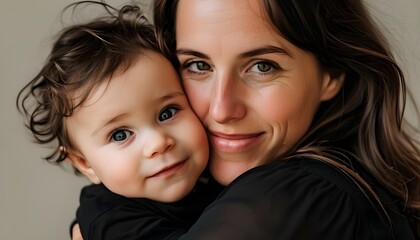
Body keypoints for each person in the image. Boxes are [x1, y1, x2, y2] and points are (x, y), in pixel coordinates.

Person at [72, 0, 420, 239]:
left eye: (262, 67)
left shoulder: (300, 196)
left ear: (331, 73)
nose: (222, 109)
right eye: (198, 65)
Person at [16, 2, 223, 240]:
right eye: (120, 135)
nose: (158, 143)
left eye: (167, 113)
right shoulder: (112, 220)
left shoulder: (213, 172)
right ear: (85, 163)